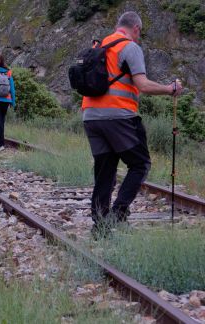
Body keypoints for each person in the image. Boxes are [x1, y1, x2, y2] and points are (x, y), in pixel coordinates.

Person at [81, 11, 183, 237]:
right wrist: (170, 89)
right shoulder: (130, 47)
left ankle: (100, 226)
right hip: (119, 116)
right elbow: (143, 85)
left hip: (90, 116)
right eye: (140, 32)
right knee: (140, 164)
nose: (139, 36)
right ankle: (118, 215)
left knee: (104, 170)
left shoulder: (101, 46)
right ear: (135, 28)